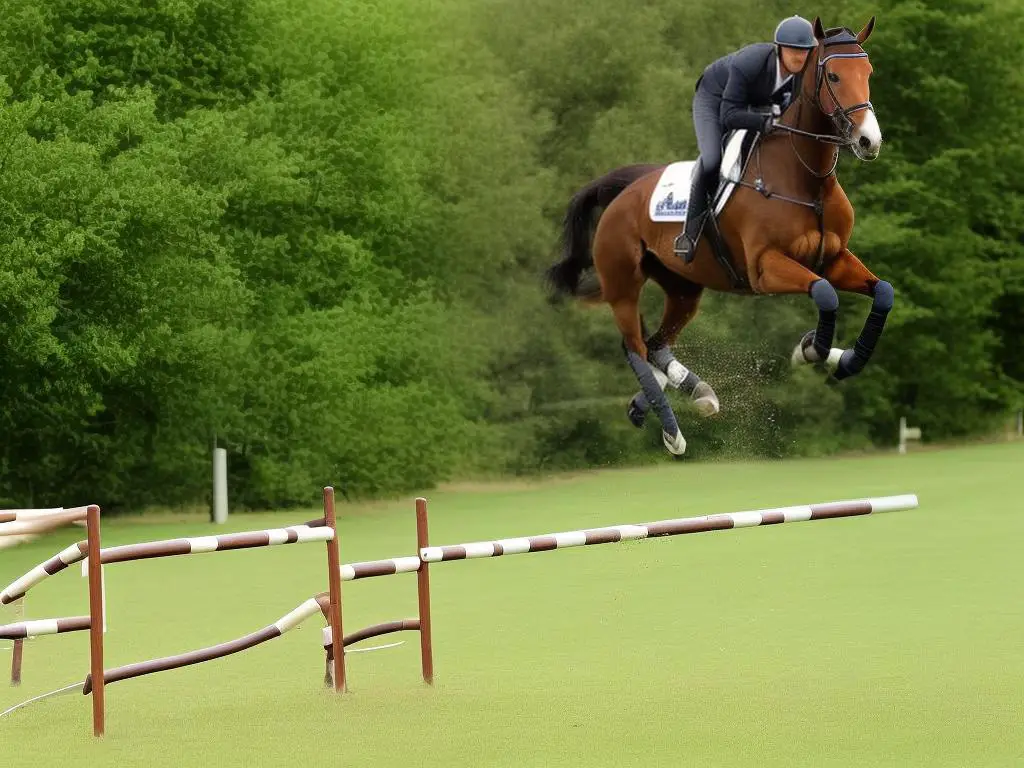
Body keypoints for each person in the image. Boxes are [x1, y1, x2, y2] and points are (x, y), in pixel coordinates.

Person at [673, 16, 818, 262]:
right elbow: (729, 116)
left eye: (805, 51)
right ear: (779, 48)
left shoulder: (803, 74)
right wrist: (763, 121)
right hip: (715, 99)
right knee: (711, 159)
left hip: (755, 104)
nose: (799, 57)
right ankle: (689, 234)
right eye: (794, 50)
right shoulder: (750, 62)